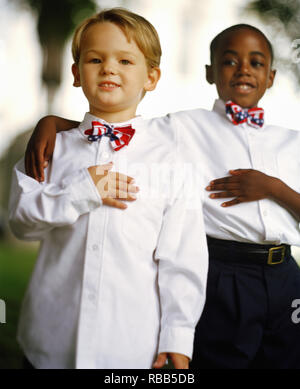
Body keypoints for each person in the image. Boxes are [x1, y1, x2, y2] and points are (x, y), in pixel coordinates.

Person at [25, 23, 300, 369]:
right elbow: (119, 126)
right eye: (230, 61)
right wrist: (53, 122)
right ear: (209, 72)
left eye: (256, 63)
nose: (243, 69)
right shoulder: (183, 127)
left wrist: (273, 188)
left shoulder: (293, 142)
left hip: (286, 275)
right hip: (222, 268)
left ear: (271, 76)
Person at [8, 8, 208, 369]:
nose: (109, 68)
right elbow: (22, 222)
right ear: (75, 72)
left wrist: (178, 337)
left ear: (151, 76)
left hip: (131, 348)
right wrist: (79, 192)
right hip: (48, 344)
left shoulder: (172, 160)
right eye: (95, 58)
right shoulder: (51, 148)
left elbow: (183, 257)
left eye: (126, 60)